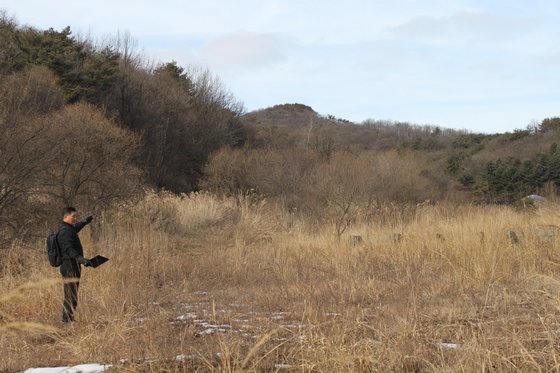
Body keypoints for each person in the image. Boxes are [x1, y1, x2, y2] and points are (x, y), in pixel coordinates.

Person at [57, 207, 94, 323]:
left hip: (73, 264)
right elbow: (68, 249)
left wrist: (85, 222)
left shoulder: (69, 228)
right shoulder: (65, 232)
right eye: (73, 216)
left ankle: (69, 318)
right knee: (70, 293)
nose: (75, 218)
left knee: (72, 292)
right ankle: (67, 320)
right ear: (66, 216)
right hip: (69, 265)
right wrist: (80, 259)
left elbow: (75, 227)